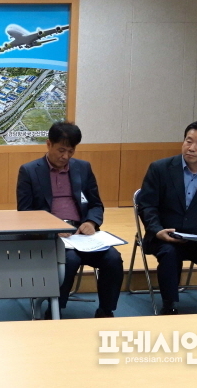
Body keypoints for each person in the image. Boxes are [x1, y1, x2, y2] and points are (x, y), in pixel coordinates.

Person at [16, 122, 123, 318]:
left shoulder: (83, 168)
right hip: (50, 236)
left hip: (81, 233)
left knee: (113, 258)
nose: (65, 156)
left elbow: (96, 204)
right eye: (61, 150)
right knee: (70, 260)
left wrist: (91, 222)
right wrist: (52, 228)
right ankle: (55, 311)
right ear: (49, 144)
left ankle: (106, 311)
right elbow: (25, 212)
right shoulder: (29, 171)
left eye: (71, 151)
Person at [139, 119, 197, 314]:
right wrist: (157, 230)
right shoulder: (160, 169)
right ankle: (169, 306)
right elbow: (147, 206)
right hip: (166, 236)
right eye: (188, 141)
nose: (191, 148)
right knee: (169, 254)